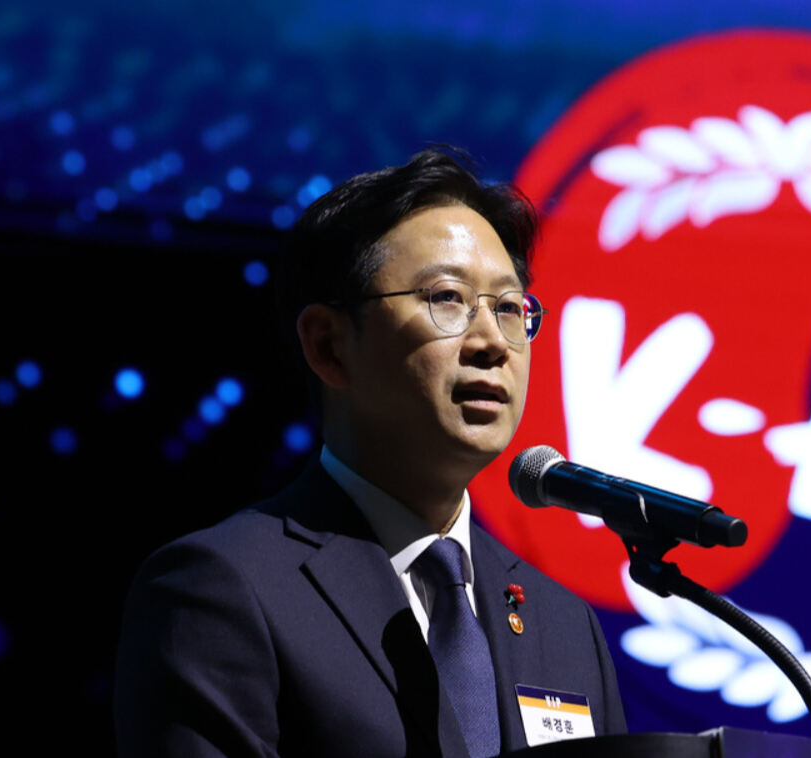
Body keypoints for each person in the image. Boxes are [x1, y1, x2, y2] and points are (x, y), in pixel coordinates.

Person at [114, 147, 627, 758]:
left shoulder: (565, 625)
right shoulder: (221, 589)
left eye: (510, 308)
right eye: (448, 298)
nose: (493, 342)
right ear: (329, 346)